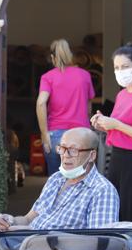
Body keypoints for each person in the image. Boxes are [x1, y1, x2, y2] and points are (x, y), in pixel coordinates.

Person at [0, 128, 119, 231]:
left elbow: (98, 245)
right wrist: (9, 221)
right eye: (62, 148)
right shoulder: (55, 179)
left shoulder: (102, 191)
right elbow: (28, 219)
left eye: (73, 150)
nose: (65, 155)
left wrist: (35, 234)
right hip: (30, 249)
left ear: (92, 156)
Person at [91, 43, 132, 231]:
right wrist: (103, 124)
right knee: (115, 215)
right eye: (116, 68)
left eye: (125, 67)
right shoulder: (122, 95)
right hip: (117, 160)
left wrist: (116, 124)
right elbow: (121, 129)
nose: (120, 71)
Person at [37, 39, 95, 176]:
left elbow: (41, 103)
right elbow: (88, 105)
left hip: (56, 136)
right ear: (70, 55)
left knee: (57, 181)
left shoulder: (48, 77)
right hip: (81, 135)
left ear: (52, 58)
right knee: (82, 182)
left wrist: (44, 134)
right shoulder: (84, 75)